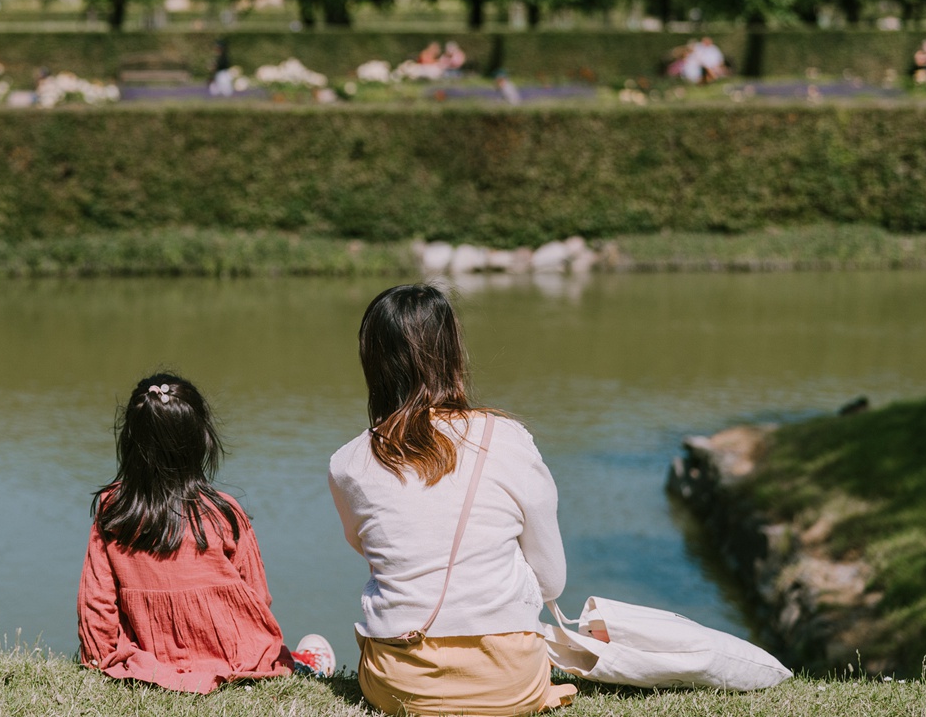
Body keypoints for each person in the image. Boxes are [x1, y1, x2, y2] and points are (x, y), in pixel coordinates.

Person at [329, 283, 575, 716]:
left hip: (399, 685)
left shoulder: (348, 462)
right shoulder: (509, 440)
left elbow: (370, 552)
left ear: (372, 362)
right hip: (509, 683)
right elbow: (551, 582)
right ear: (453, 353)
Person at [79, 373, 335, 694]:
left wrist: (100, 658)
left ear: (130, 439)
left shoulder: (114, 510)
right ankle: (306, 666)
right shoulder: (224, 513)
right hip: (234, 655)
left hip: (151, 655)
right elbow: (257, 597)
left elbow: (97, 600)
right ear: (202, 439)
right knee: (289, 657)